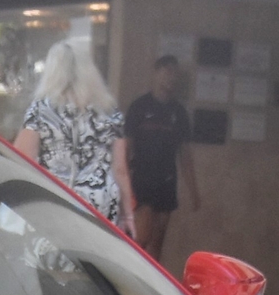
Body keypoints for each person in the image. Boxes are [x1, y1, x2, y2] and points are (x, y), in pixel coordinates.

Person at [14, 41, 129, 225]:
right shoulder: (109, 111)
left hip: (55, 200)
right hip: (99, 203)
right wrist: (128, 214)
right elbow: (120, 169)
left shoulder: (41, 111)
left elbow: (20, 159)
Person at [123, 54, 199, 258]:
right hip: (142, 180)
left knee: (157, 241)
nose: (170, 78)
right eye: (166, 72)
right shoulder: (139, 107)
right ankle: (130, 278)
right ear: (155, 74)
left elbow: (185, 156)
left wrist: (194, 191)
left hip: (167, 180)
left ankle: (152, 287)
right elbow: (126, 148)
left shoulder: (179, 113)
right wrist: (122, 183)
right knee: (142, 237)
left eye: (174, 74)